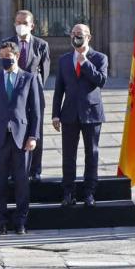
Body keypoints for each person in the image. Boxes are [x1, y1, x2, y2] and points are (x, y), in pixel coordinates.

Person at [0, 41, 41, 235]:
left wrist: (33, 135)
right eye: (1, 57)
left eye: (7, 56)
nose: (4, 60)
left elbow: (35, 111)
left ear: (16, 56)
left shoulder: (29, 78)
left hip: (22, 138)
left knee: (21, 181)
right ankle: (1, 221)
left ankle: (21, 221)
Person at [52, 23, 108, 208]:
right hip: (69, 114)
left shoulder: (100, 58)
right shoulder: (64, 60)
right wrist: (55, 114)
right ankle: (68, 193)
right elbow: (59, 88)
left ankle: (89, 193)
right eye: (74, 33)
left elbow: (100, 81)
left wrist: (85, 62)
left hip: (91, 113)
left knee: (91, 154)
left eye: (81, 34)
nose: (77, 36)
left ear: (89, 37)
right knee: (68, 155)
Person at [4, 9, 50, 181]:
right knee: (12, 130)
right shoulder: (7, 43)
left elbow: (44, 72)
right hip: (12, 95)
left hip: (34, 93)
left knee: (35, 131)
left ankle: (35, 170)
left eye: (24, 23)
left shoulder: (41, 44)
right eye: (18, 22)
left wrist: (34, 89)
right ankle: (12, 170)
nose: (20, 26)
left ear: (32, 26)